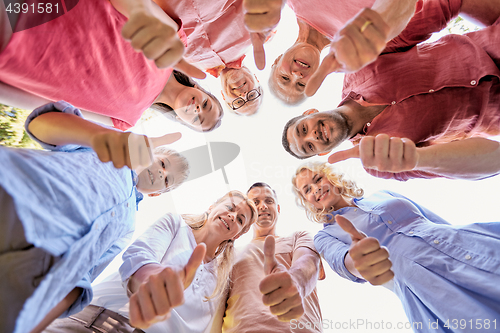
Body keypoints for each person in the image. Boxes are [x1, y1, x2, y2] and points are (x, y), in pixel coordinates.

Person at [0, 101, 190, 333]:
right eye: (163, 163)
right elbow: (40, 125)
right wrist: (105, 137)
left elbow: (81, 278)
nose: (162, 172)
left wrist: (28, 323)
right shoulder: (110, 148)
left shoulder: (128, 228)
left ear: (157, 193)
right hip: (12, 193)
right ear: (152, 152)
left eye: (167, 180)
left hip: (31, 278)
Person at [282, 3, 500, 181]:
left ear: (309, 112)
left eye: (303, 129)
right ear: (322, 152)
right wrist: (416, 159)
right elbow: (494, 161)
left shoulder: (359, 66)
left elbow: (439, 8)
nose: (313, 135)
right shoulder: (381, 160)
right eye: (309, 145)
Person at [292, 161, 500, 332]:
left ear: (331, 177)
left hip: (463, 245)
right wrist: (362, 259)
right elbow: (345, 262)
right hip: (423, 280)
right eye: (307, 190)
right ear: (309, 202)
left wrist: (460, 239)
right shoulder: (325, 236)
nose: (316, 189)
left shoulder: (383, 195)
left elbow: (435, 221)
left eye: (318, 179)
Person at [43, 190, 258, 333]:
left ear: (237, 234)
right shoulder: (176, 225)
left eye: (240, 219)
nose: (232, 216)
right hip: (105, 323)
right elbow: (141, 256)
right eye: (230, 207)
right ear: (212, 207)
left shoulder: (222, 278)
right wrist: (152, 281)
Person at [0, 0, 226, 132]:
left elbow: (52, 105)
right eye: (206, 104)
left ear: (181, 121)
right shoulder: (176, 41)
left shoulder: (125, 122)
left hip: (11, 55)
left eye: (198, 119)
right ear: (201, 90)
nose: (198, 109)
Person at [211, 182, 324, 333]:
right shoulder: (230, 253)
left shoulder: (299, 237)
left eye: (269, 201)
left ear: (278, 208)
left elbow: (308, 264)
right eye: (255, 202)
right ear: (249, 214)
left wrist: (297, 282)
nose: (263, 206)